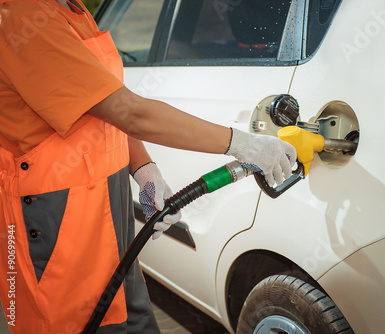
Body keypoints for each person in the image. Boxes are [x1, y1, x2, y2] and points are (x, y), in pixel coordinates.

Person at [0, 0, 297, 333]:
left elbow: (98, 106)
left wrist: (143, 169)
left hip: (106, 213)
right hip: (54, 220)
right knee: (70, 324)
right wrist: (244, 144)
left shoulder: (74, 10)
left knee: (129, 320)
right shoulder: (22, 18)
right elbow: (129, 111)